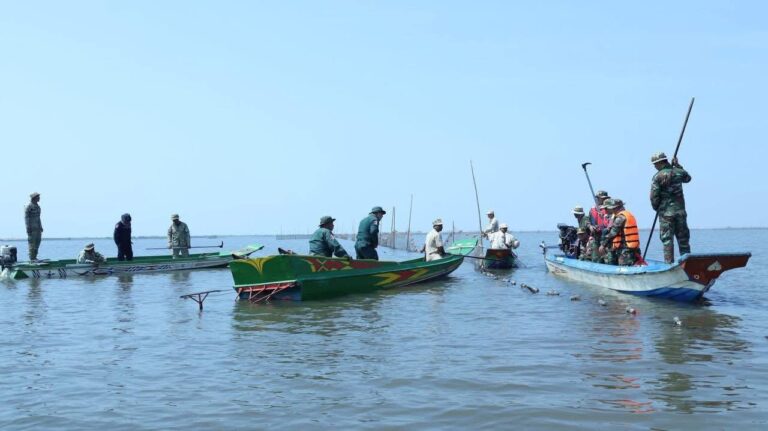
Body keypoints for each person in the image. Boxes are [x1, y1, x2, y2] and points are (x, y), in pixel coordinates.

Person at [650, 151, 692, 263]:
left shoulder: (657, 176)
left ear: (660, 163)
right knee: (683, 239)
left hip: (665, 214)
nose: (655, 167)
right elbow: (688, 178)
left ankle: (669, 264)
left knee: (667, 240)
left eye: (655, 164)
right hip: (680, 212)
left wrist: (657, 208)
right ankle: (687, 263)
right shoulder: (678, 172)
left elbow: (654, 197)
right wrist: (678, 166)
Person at [599, 199, 641, 266]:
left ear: (614, 208)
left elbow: (612, 233)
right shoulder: (629, 214)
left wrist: (603, 245)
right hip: (634, 249)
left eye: (607, 208)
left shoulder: (620, 218)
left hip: (626, 252)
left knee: (625, 268)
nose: (606, 210)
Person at [24, 192, 43, 261]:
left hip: (38, 228)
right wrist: (28, 227)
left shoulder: (38, 206)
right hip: (32, 228)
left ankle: (35, 257)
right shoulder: (29, 206)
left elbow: (38, 217)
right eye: (38, 197)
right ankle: (32, 258)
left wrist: (40, 226)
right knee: (32, 243)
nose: (39, 198)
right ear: (34, 198)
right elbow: (26, 218)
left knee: (38, 242)